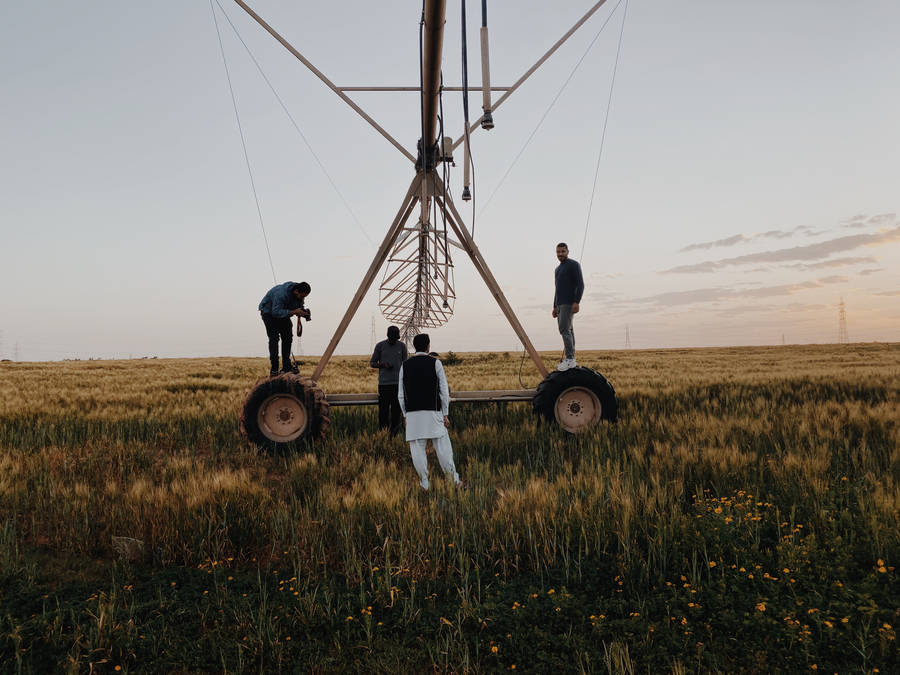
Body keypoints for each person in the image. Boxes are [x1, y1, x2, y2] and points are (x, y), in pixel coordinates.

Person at [397, 334, 462, 491]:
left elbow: (400, 394)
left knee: (417, 450)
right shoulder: (436, 363)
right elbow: (444, 391)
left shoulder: (404, 365)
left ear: (414, 346)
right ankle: (453, 481)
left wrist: (405, 414)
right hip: (433, 412)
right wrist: (445, 413)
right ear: (428, 346)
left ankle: (425, 484)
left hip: (413, 414)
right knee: (443, 448)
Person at [258, 281, 310, 376]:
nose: (303, 299)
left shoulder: (299, 294)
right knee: (274, 339)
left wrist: (304, 313)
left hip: (284, 312)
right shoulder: (281, 294)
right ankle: (274, 369)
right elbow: (275, 312)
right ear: (296, 291)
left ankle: (286, 366)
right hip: (269, 313)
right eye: (302, 296)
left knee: (288, 337)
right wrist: (294, 312)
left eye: (304, 297)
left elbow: (299, 306)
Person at [370, 325, 408, 436]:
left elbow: (406, 364)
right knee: (383, 412)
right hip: (384, 385)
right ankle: (383, 434)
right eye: (392, 338)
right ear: (388, 335)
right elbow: (372, 363)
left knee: (396, 412)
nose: (394, 340)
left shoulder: (402, 346)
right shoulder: (380, 346)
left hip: (398, 384)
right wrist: (383, 365)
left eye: (396, 338)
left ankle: (394, 435)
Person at [552, 242, 584, 371]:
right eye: (558, 252)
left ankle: (570, 359)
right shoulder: (557, 269)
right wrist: (555, 306)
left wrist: (577, 301)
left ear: (567, 252)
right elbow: (557, 289)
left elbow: (581, 284)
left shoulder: (574, 265)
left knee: (564, 329)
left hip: (568, 303)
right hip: (559, 304)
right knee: (568, 330)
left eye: (563, 251)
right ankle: (571, 358)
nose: (560, 254)